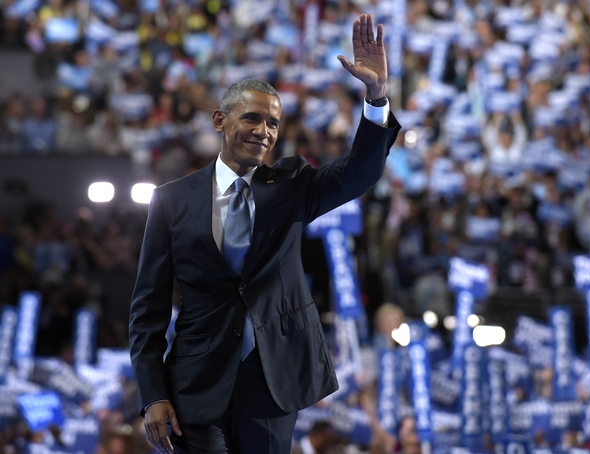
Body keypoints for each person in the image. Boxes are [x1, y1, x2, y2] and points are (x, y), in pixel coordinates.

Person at [129, 13, 400, 454]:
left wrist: (376, 97)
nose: (264, 131)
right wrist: (152, 395)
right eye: (252, 118)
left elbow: (359, 173)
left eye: (273, 123)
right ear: (220, 120)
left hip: (273, 382)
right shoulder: (171, 200)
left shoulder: (291, 187)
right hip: (196, 384)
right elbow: (148, 309)